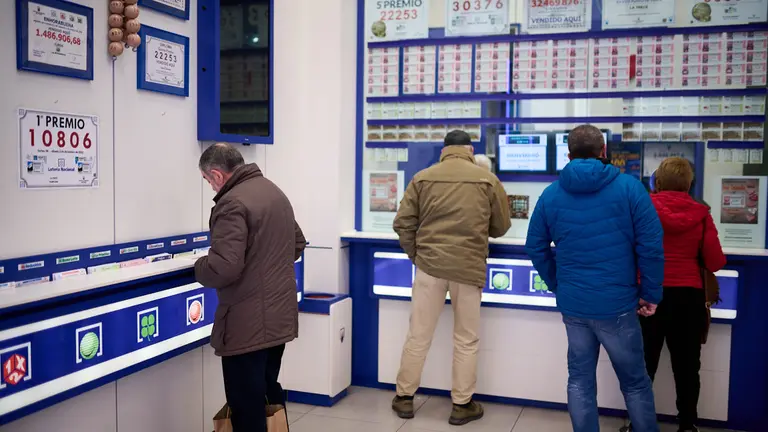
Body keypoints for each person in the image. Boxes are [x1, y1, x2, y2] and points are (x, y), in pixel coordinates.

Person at [525, 125, 664, 432]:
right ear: (604, 152)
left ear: (569, 155)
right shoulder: (630, 188)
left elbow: (534, 246)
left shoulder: (551, 194)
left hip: (575, 305)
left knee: (579, 381)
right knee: (636, 384)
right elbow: (651, 246)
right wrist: (651, 294)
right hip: (619, 306)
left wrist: (558, 284)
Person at [391, 130, 511, 426]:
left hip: (429, 267)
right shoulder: (487, 179)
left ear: (444, 150)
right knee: (466, 339)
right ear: (470, 149)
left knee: (418, 335)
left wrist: (416, 256)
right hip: (468, 268)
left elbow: (403, 223)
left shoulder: (422, 177)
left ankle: (405, 398)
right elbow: (501, 227)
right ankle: (462, 404)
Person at [195, 143, 306, 432]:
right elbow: (296, 243)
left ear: (217, 175)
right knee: (268, 393)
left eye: (208, 181)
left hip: (247, 325)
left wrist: (198, 266)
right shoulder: (273, 192)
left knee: (246, 406)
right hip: (279, 317)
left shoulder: (231, 203)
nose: (210, 187)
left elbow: (224, 267)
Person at [620, 158, 726, 432]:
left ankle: (638, 425)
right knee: (688, 367)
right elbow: (714, 261)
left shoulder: (642, 210)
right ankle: (688, 425)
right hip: (688, 299)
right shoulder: (702, 214)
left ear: (656, 182)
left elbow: (627, 251)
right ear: (689, 184)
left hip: (648, 296)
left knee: (644, 365)